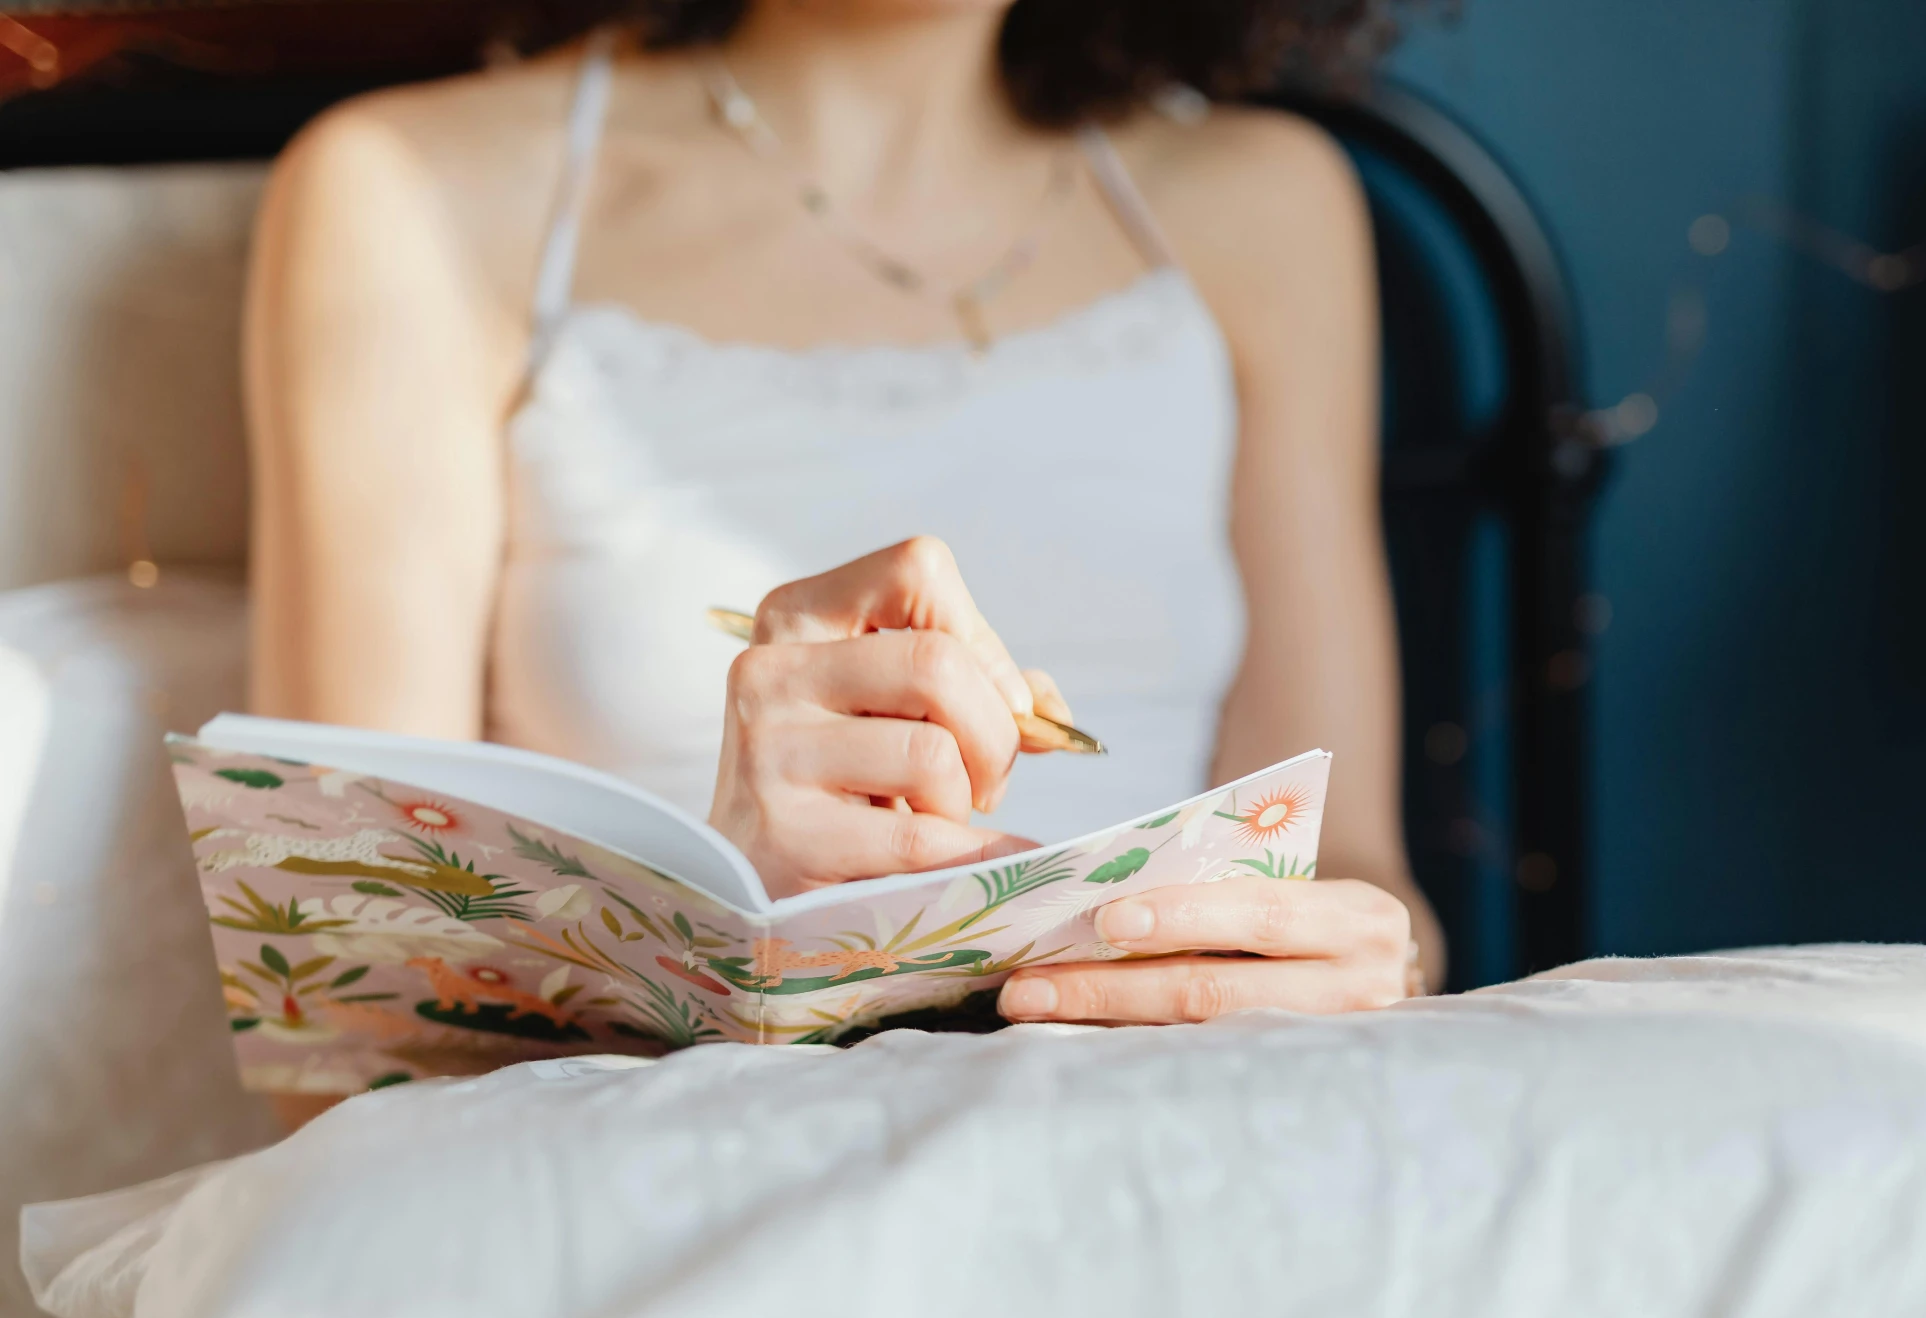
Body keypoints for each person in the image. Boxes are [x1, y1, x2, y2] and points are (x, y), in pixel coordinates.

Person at [244, 0, 1439, 1047]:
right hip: (657, 1158)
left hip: (1183, 1135)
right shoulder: (417, 190)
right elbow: (336, 1012)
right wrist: (712, 942)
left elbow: (1359, 869)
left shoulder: (1267, 203)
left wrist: (1372, 959)